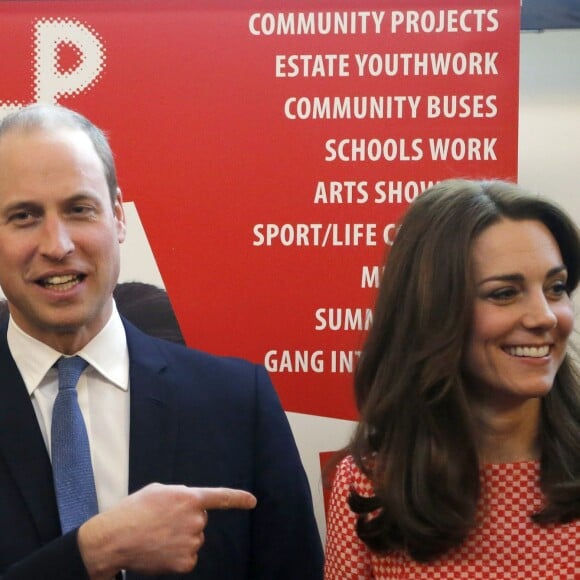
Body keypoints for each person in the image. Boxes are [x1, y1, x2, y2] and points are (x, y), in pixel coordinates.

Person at [0, 103, 323, 579]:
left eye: (79, 209)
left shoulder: (237, 404)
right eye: (24, 216)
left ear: (118, 217)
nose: (58, 244)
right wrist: (91, 554)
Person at [324, 179, 580, 578]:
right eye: (504, 293)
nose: (545, 316)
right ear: (433, 312)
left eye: (556, 288)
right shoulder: (372, 482)